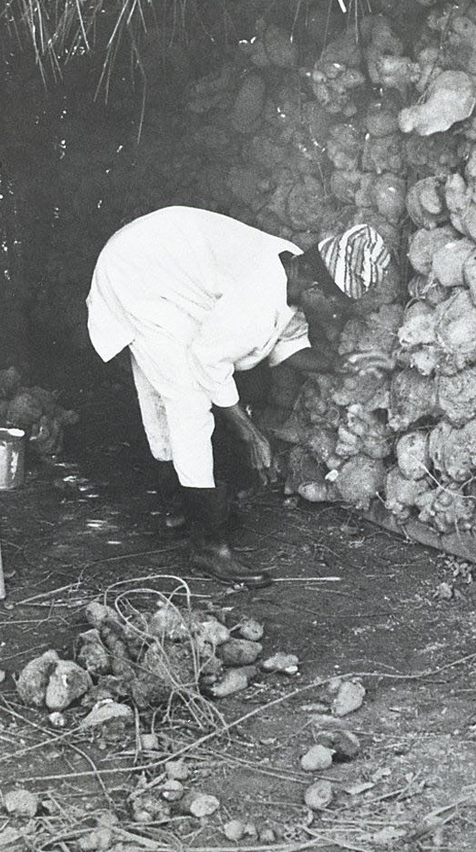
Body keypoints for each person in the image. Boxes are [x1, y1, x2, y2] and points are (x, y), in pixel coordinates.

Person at [86, 206, 391, 583]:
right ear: (314, 287)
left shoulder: (293, 270)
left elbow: (288, 343)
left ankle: (179, 507)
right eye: (333, 305)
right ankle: (209, 549)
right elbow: (208, 360)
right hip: (137, 274)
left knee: (169, 390)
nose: (330, 316)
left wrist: (337, 364)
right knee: (189, 400)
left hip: (156, 263)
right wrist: (250, 434)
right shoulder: (259, 296)